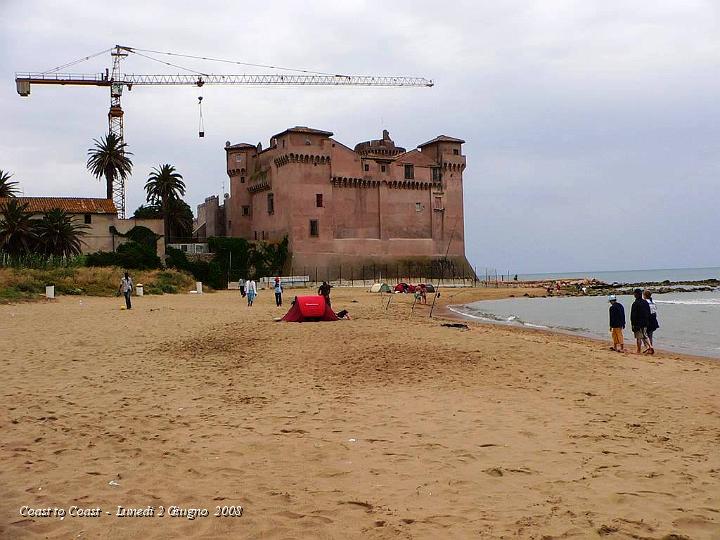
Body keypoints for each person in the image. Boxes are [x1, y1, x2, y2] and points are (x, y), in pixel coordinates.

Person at [630, 288, 653, 355]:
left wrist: (633, 324)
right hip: (645, 322)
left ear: (636, 295)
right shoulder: (645, 302)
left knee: (638, 337)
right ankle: (650, 346)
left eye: (634, 294)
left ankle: (639, 350)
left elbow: (633, 315)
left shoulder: (635, 303)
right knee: (645, 335)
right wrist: (647, 321)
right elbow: (648, 312)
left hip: (637, 323)